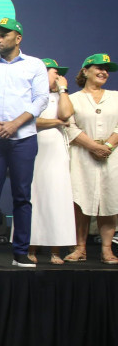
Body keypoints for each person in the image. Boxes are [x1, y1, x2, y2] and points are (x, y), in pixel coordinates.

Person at [0, 17, 49, 267]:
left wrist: (15, 124)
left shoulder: (35, 65)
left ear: (18, 38)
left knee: (22, 196)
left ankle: (21, 252)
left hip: (23, 137)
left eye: (3, 35)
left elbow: (41, 100)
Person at [64, 53, 118, 264]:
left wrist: (107, 145)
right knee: (81, 202)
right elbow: (69, 127)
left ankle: (107, 250)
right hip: (82, 155)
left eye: (107, 69)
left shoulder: (115, 96)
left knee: (109, 202)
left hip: (111, 156)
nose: (103, 72)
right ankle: (80, 248)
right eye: (99, 67)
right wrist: (93, 146)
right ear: (85, 71)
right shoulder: (73, 99)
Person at [27, 58, 75, 264]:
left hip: (56, 150)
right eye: (54, 72)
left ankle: (56, 249)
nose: (57, 77)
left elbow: (66, 114)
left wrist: (63, 90)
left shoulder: (61, 96)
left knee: (57, 197)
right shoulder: (30, 95)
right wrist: (56, 122)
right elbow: (30, 121)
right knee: (33, 197)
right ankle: (30, 247)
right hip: (35, 147)